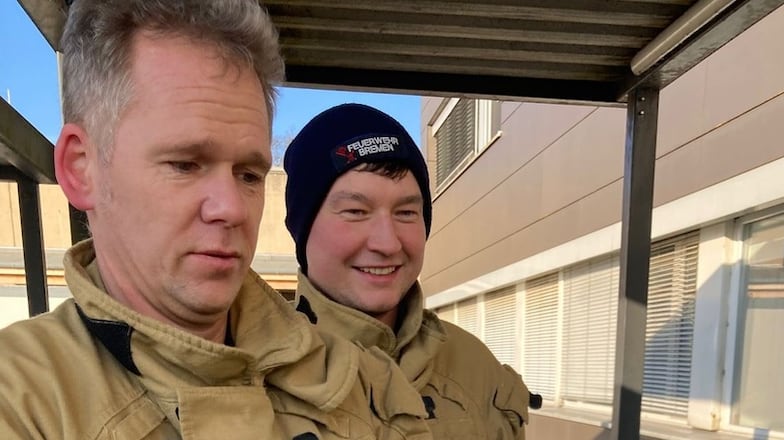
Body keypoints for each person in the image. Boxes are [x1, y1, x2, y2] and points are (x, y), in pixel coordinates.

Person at [0, 2, 432, 439]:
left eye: (249, 174)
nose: (232, 208)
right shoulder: (23, 403)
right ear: (81, 169)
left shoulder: (361, 380)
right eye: (185, 165)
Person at [284, 103, 534, 439]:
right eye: (356, 211)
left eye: (405, 213)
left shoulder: (474, 365)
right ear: (302, 229)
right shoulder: (248, 374)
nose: (388, 243)